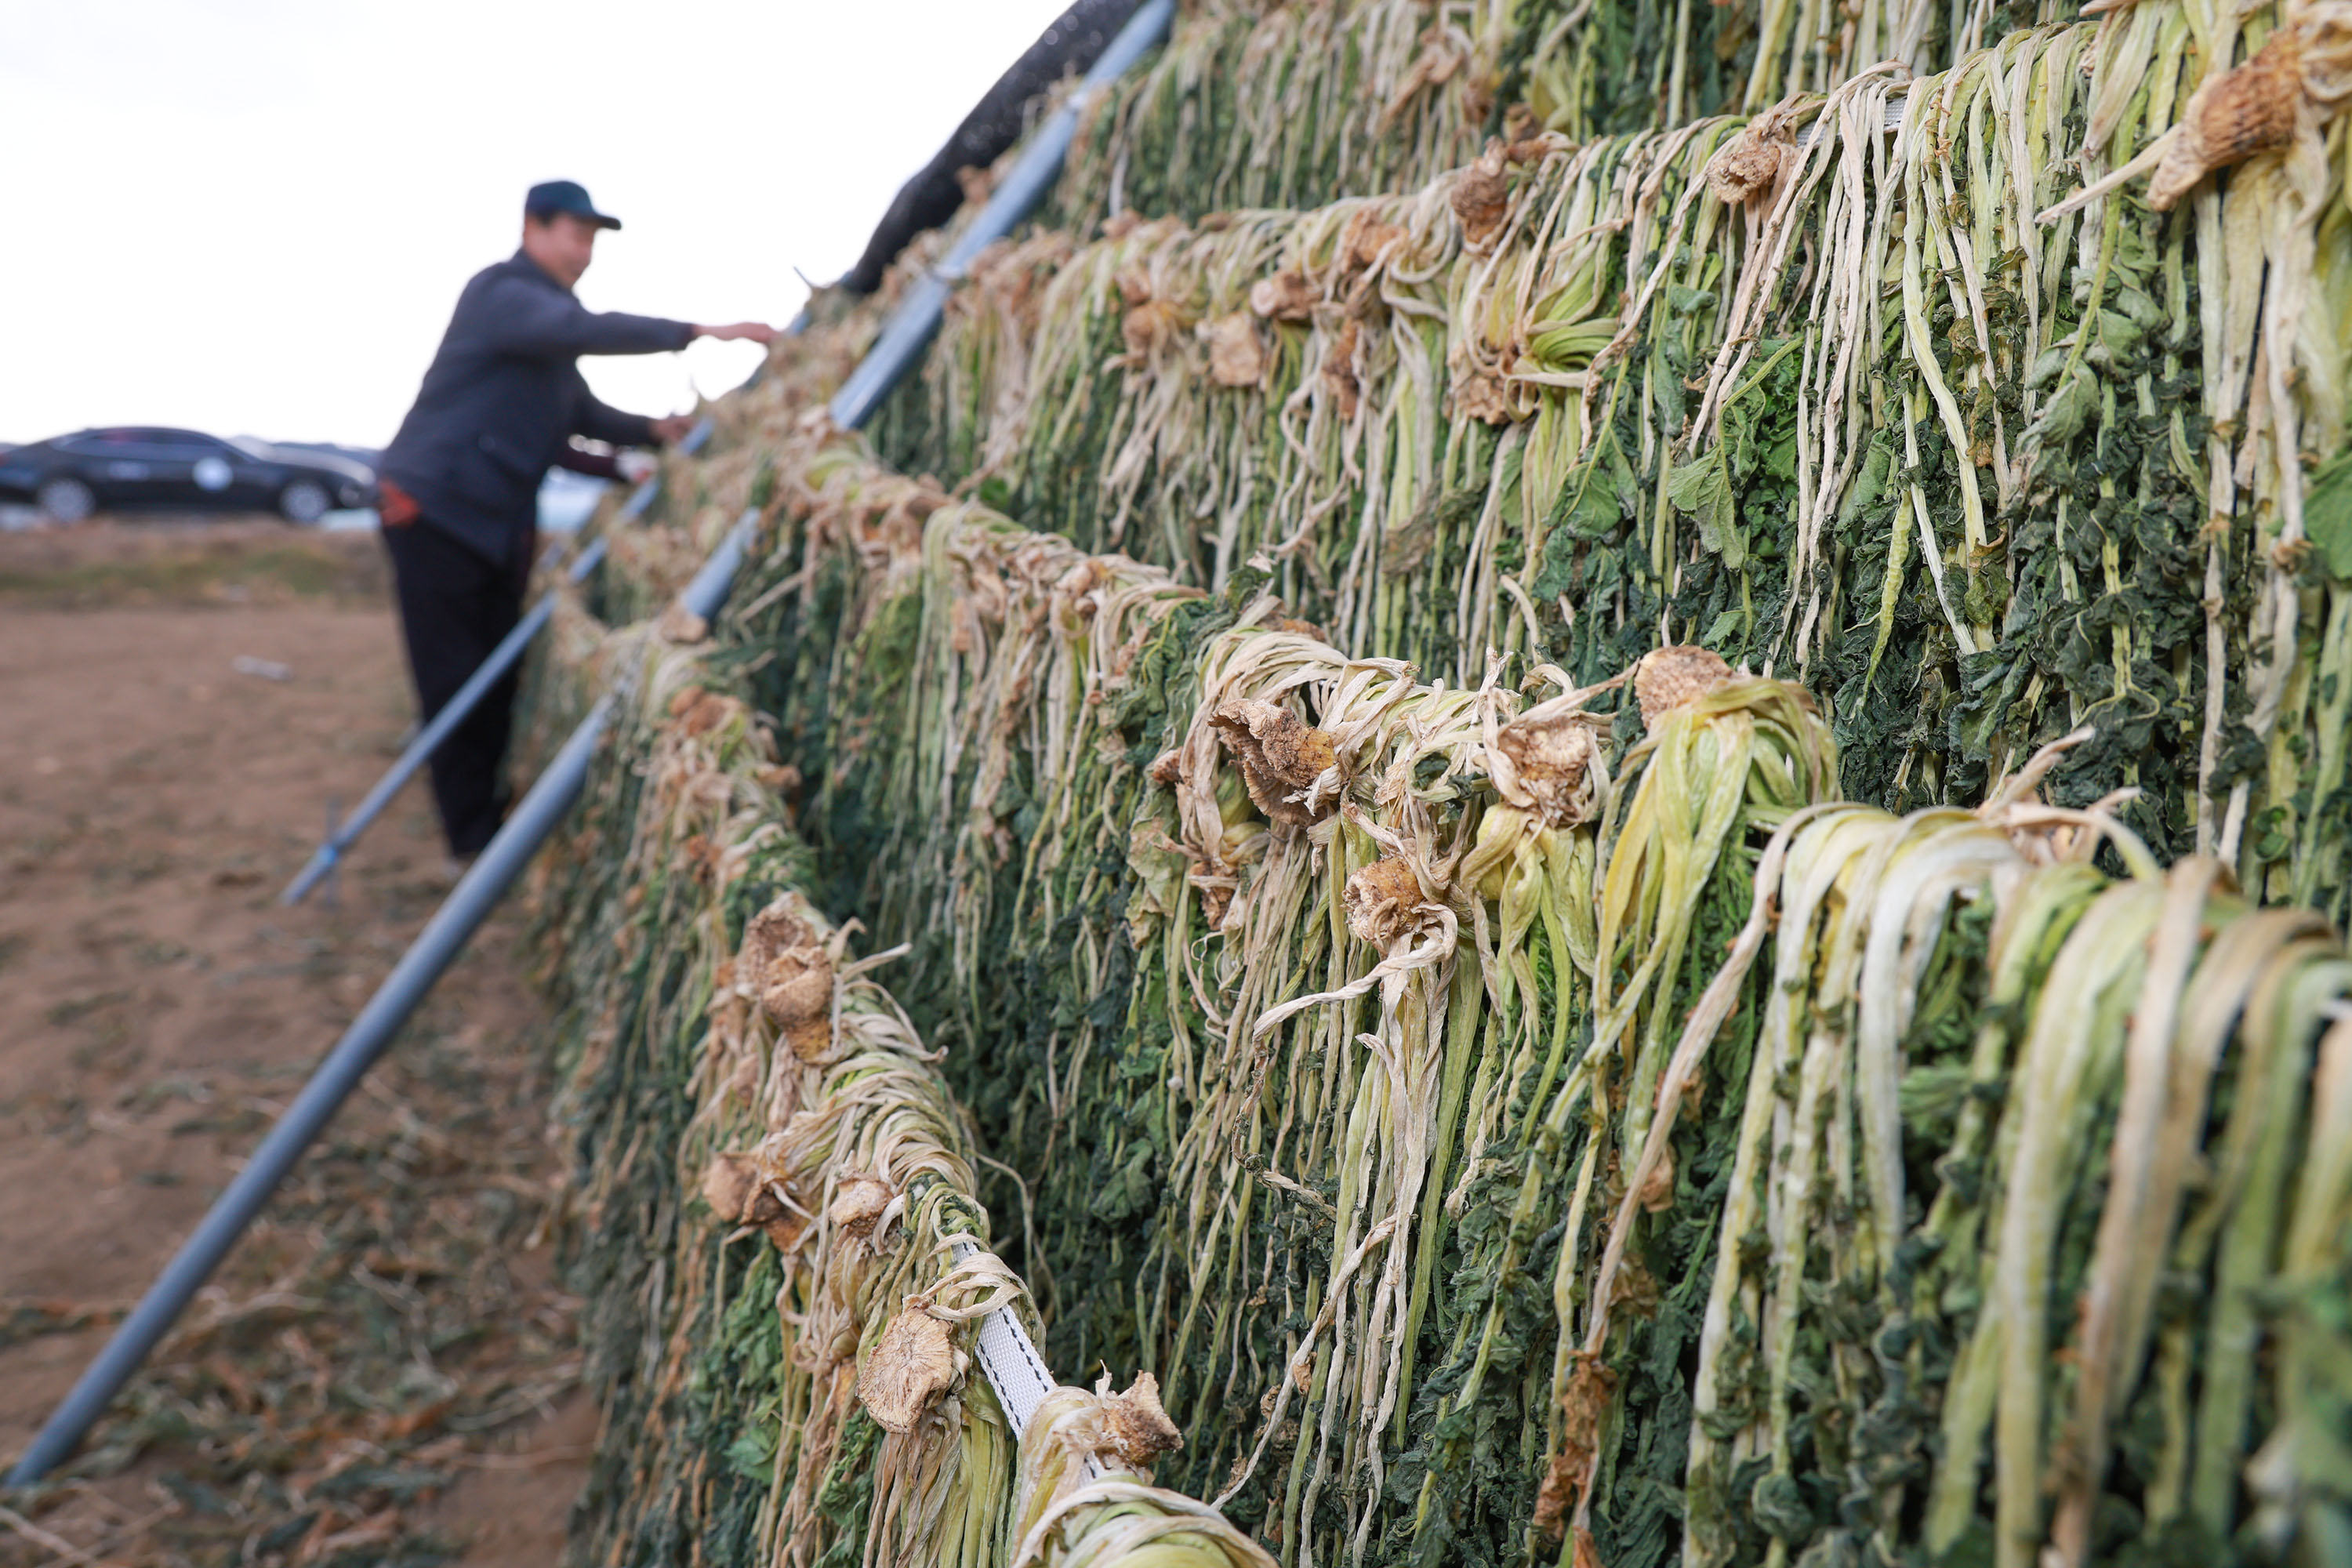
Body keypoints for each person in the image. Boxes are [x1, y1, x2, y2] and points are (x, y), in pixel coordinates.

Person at [377, 180, 778, 866]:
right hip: (437, 509)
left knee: (496, 672)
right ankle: (468, 843)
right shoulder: (502, 296)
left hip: (494, 523)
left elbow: (575, 420)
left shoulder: (547, 322)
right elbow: (579, 334)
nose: (585, 251)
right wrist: (696, 333)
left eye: (593, 239)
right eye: (576, 233)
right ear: (533, 226)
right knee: (454, 679)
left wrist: (651, 434)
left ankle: (486, 822)